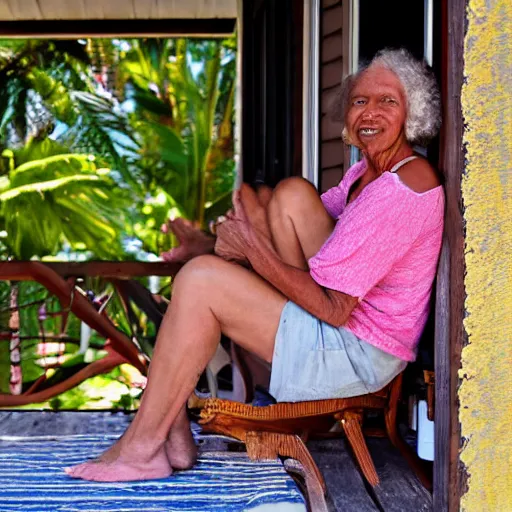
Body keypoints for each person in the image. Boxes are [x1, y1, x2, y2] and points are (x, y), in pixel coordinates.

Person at [65, 48, 444, 482]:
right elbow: (286, 224)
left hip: (355, 357)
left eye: (387, 102)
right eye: (360, 101)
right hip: (338, 332)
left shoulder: (405, 186)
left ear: (413, 112)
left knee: (202, 281)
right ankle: (169, 431)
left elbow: (337, 308)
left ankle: (143, 447)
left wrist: (250, 252)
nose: (369, 112)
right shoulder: (366, 176)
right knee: (289, 195)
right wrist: (216, 242)